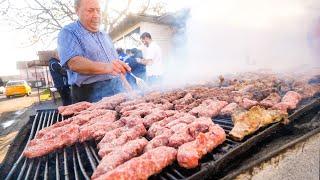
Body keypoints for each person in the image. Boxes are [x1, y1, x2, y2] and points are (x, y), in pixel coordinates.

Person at [57, 0, 131, 103]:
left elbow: (116, 63)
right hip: (89, 94)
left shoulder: (105, 35)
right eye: (90, 10)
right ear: (77, 11)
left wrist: (127, 86)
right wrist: (107, 67)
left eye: (98, 10)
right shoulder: (68, 32)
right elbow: (74, 63)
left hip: (116, 88)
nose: (96, 15)